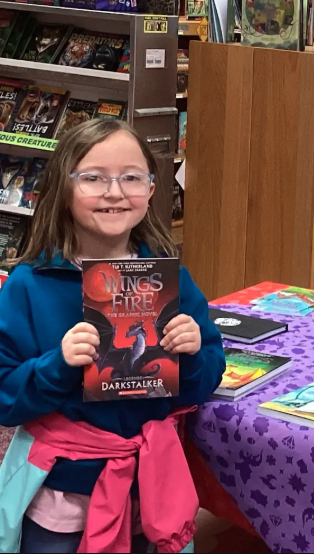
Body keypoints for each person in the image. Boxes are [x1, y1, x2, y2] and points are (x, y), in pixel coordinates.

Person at [0, 119, 226, 552]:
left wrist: (193, 353)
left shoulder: (169, 278)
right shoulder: (30, 285)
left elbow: (206, 379)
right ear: (64, 189)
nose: (115, 191)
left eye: (131, 177)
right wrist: (57, 365)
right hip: (62, 496)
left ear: (152, 189)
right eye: (93, 178)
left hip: (152, 485)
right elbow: (4, 396)